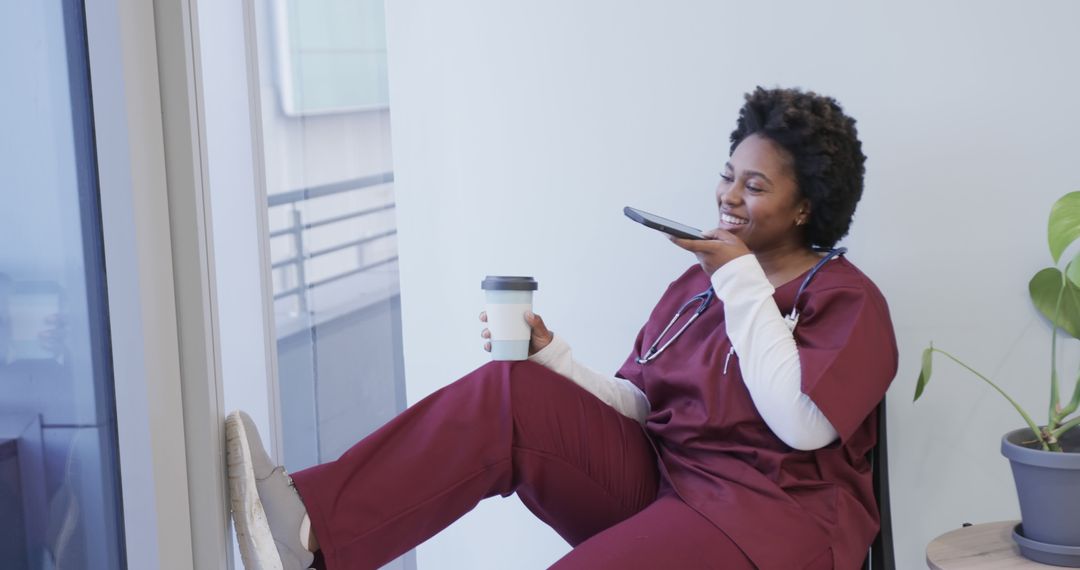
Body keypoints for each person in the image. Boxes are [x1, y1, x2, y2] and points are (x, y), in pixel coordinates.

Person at [226, 86, 898, 570]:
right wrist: (555, 360)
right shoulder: (698, 286)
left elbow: (804, 423)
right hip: (669, 483)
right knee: (509, 388)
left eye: (755, 186)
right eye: (728, 176)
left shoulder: (845, 299)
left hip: (771, 522)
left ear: (807, 205)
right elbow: (644, 409)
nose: (727, 196)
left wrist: (741, 279)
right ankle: (311, 533)